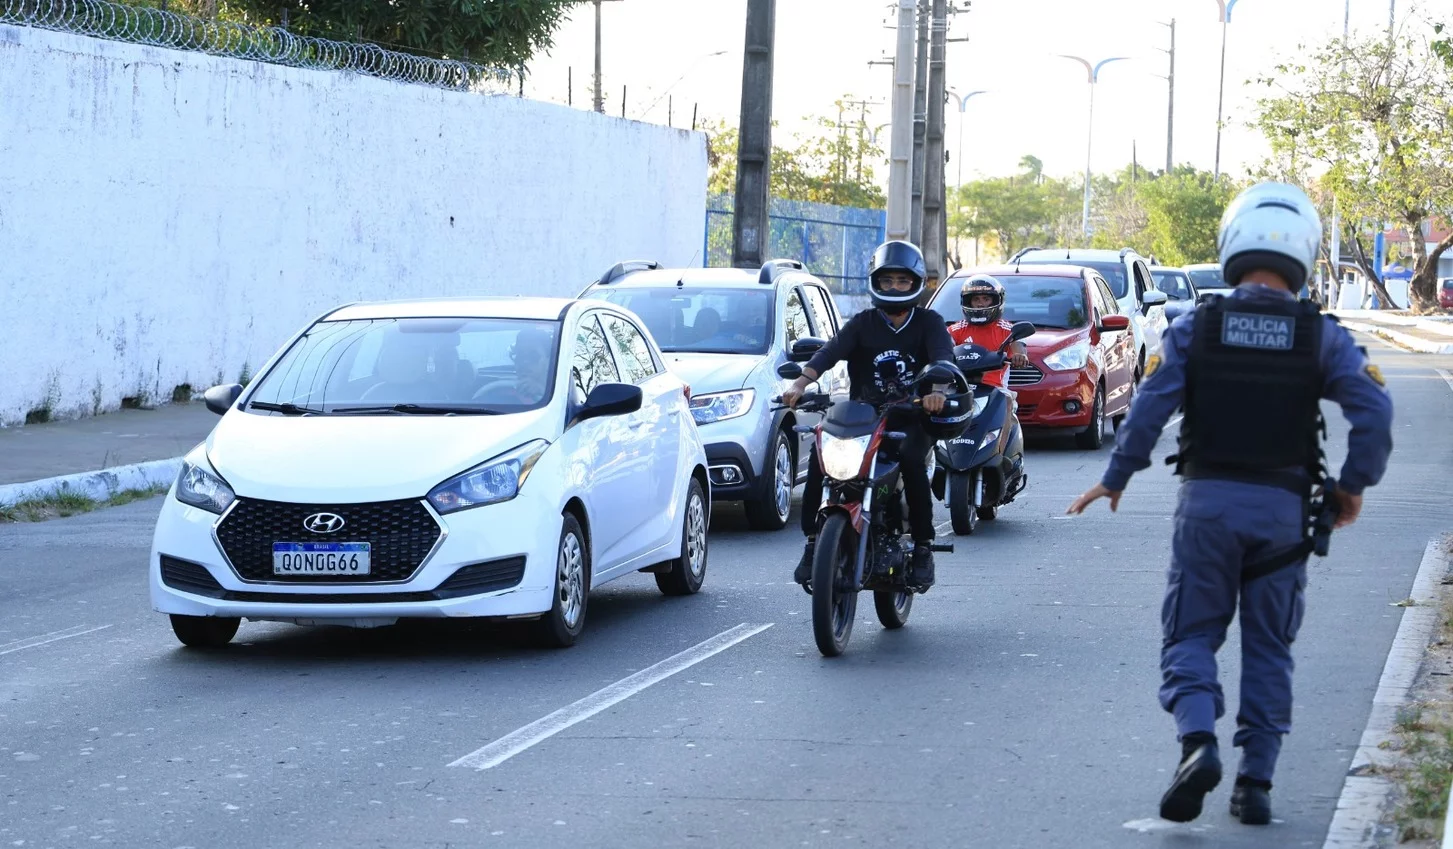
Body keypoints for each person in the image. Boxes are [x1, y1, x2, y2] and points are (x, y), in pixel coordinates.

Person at [1065, 182, 1394, 826]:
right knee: (1270, 648)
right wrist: (1350, 486)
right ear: (1306, 249)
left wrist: (1118, 475)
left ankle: (1197, 742)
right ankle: (1256, 786)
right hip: (1282, 518)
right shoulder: (1321, 337)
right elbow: (1375, 414)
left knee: (1190, 633)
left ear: (1231, 245)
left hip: (1207, 510)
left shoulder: (1196, 328)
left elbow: (1150, 404)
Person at [780, 240, 954, 594]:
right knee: (820, 456)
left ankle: (922, 547)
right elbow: (829, 353)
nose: (894, 287)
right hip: (862, 416)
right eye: (887, 280)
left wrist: (936, 392)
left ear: (916, 282)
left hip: (911, 415)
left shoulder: (929, 322)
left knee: (910, 460)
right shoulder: (862, 323)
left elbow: (941, 358)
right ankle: (814, 541)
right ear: (876, 282)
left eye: (902, 281)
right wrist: (799, 384)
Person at [948, 274, 1029, 388]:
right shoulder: (955, 329)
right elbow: (944, 347)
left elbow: (1018, 347)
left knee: (1008, 400)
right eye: (976, 299)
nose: (980, 304)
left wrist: (1019, 356)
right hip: (961, 388)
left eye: (986, 299)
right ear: (968, 301)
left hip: (996, 390)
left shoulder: (1008, 329)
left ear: (996, 300)